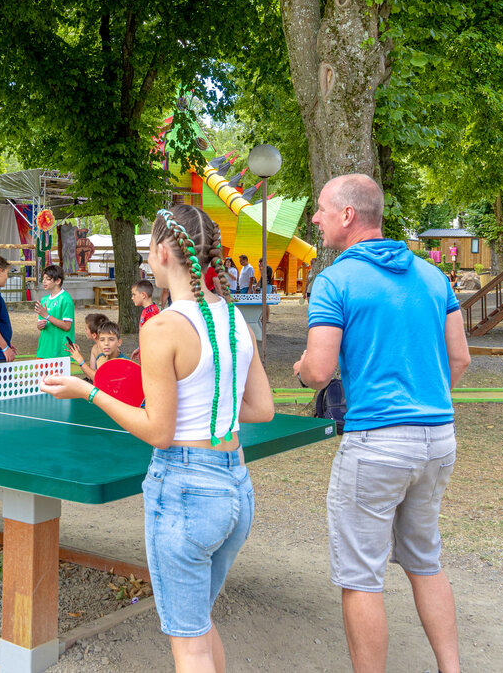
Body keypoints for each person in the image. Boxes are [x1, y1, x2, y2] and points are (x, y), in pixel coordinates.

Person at [42, 203, 274, 672]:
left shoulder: (161, 327)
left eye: (149, 247)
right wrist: (203, 408)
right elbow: (261, 409)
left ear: (165, 252)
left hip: (187, 490)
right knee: (200, 623)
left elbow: (158, 432)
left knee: (189, 644)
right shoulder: (235, 320)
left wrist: (89, 392)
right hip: (236, 487)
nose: (148, 258)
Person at [293, 174, 469, 673]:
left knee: (361, 578)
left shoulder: (335, 280)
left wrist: (301, 368)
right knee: (425, 562)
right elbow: (459, 359)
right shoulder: (433, 277)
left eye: (322, 208)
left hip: (376, 445)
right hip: (438, 438)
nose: (316, 218)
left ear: (348, 215)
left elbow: (319, 371)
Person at [35, 265, 76, 359]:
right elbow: (40, 324)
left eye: (48, 279)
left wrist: (47, 316)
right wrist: (40, 325)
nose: (44, 281)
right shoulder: (44, 300)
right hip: (44, 349)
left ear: (58, 281)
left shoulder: (65, 299)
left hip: (60, 351)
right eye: (43, 278)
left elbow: (67, 326)